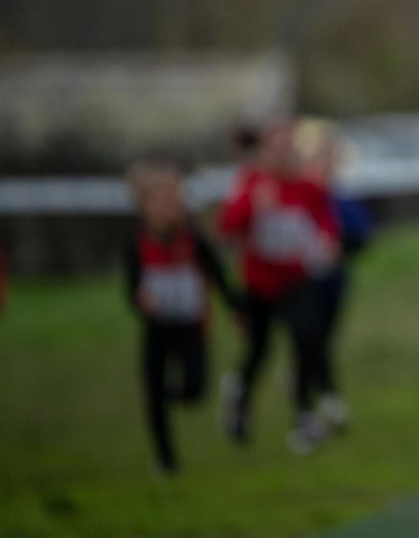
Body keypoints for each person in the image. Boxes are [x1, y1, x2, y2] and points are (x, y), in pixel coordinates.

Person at [217, 118, 342, 454]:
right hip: (258, 283)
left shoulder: (306, 186)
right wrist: (252, 206)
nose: (283, 152)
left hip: (295, 278)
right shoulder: (250, 182)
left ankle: (304, 418)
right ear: (263, 148)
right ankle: (239, 397)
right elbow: (226, 226)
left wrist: (328, 239)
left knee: (306, 336)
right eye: (277, 145)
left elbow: (325, 218)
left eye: (289, 145)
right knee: (259, 350)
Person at [124, 158, 243, 474]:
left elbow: (218, 276)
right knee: (153, 391)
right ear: (145, 206)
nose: (169, 209)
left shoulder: (193, 239)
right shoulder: (137, 244)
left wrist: (235, 309)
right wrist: (141, 300)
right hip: (159, 328)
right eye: (161, 201)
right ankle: (166, 459)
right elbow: (132, 289)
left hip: (192, 325)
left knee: (194, 389)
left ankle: (167, 397)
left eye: (174, 200)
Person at [296, 118, 370, 436]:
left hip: (333, 285)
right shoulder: (297, 199)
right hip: (302, 287)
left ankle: (320, 397)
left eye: (331, 159)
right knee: (310, 341)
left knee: (322, 341)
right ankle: (318, 404)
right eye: (320, 158)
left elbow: (362, 234)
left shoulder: (340, 200)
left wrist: (340, 245)